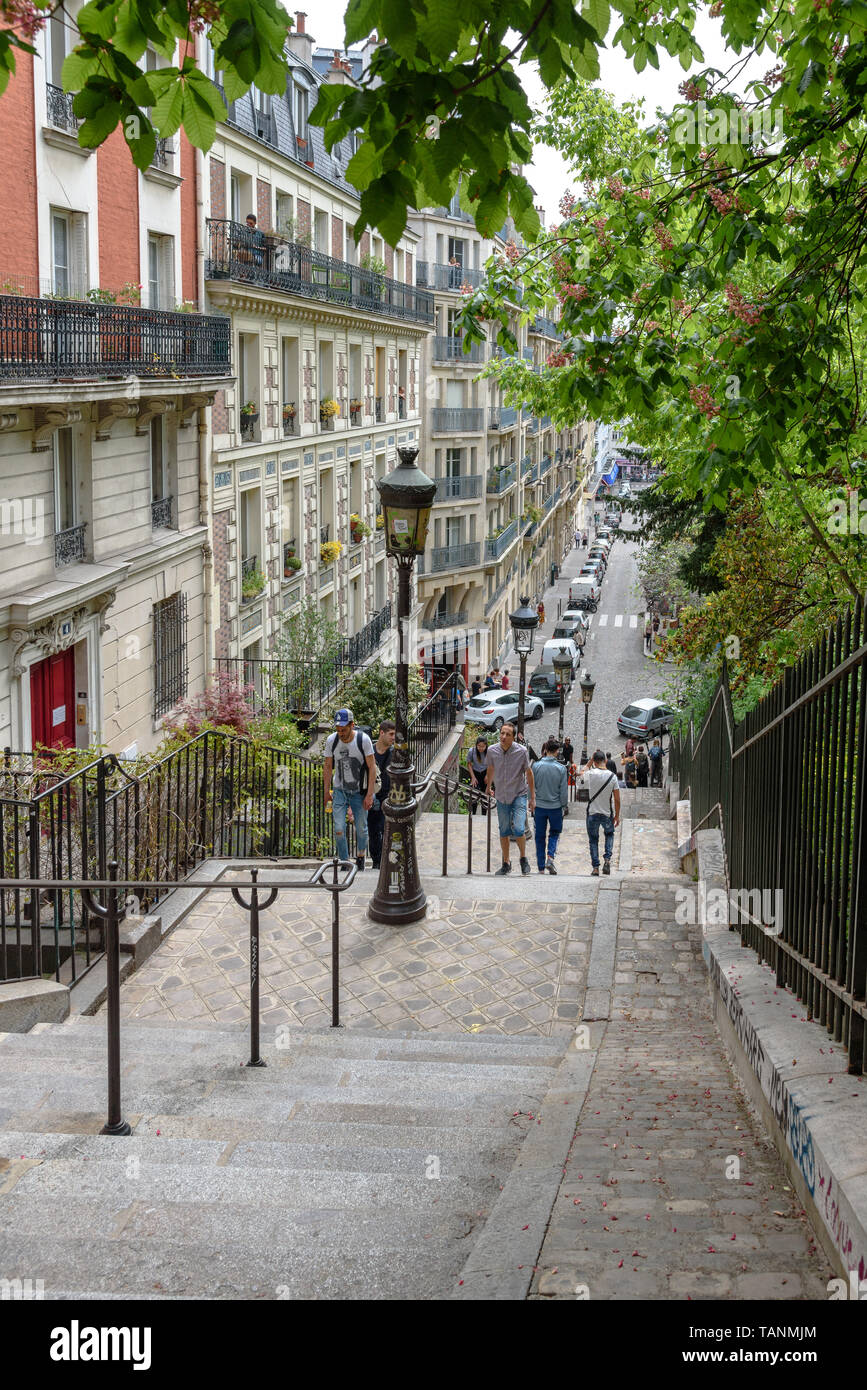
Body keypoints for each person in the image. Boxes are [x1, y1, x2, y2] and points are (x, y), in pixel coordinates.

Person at [323, 708, 376, 870]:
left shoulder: (363, 740)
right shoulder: (332, 740)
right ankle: (345, 861)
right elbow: (327, 766)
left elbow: (372, 767)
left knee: (361, 828)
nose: (340, 733)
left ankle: (360, 856)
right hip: (339, 790)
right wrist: (326, 792)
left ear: (352, 725)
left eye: (344, 729)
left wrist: (369, 794)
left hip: (359, 792)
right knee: (338, 828)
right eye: (338, 729)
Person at [485, 722, 536, 876]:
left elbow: (529, 773)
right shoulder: (492, 750)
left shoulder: (521, 751)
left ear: (513, 737)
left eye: (507, 734)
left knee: (520, 828)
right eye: (502, 733)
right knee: (504, 830)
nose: (503, 737)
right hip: (501, 796)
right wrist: (488, 787)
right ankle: (506, 863)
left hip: (518, 794)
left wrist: (532, 797)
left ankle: (523, 858)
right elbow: (491, 768)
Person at [532, 738, 568, 874]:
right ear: (557, 751)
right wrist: (564, 806)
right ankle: (550, 857)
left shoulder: (536, 766)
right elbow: (563, 792)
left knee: (539, 836)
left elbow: (531, 786)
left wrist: (531, 801)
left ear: (545, 749)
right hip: (555, 807)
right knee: (554, 833)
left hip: (540, 805)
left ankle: (541, 867)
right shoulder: (561, 769)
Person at [583, 748, 620, 876]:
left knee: (593, 840)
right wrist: (617, 815)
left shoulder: (591, 773)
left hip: (592, 812)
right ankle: (607, 860)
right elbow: (617, 799)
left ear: (595, 761)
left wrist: (589, 762)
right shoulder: (613, 776)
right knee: (609, 834)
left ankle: (595, 868)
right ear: (605, 760)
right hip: (607, 813)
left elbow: (580, 772)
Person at [367, 719, 396, 869]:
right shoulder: (369, 751)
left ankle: (385, 862)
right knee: (373, 831)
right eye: (391, 734)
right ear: (381, 733)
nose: (393, 738)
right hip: (372, 796)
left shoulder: (394, 753)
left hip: (388, 797)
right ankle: (376, 862)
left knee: (387, 830)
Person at [467, 736, 490, 815]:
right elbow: (469, 764)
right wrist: (473, 777)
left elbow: (491, 765)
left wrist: (487, 775)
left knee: (485, 795)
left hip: (485, 773)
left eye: (483, 746)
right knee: (474, 795)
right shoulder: (472, 751)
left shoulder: (489, 752)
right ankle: (473, 814)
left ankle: (484, 815)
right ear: (476, 745)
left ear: (486, 746)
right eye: (479, 746)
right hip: (475, 773)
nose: (481, 748)